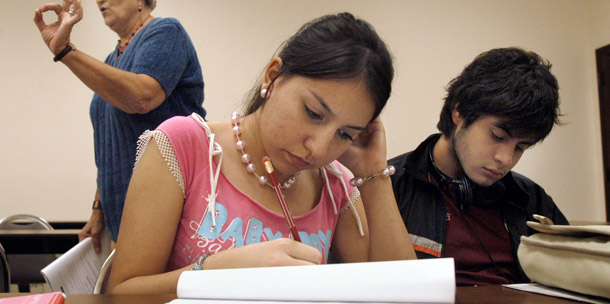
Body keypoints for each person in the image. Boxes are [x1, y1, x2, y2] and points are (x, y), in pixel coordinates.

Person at [105, 12, 417, 294]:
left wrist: (373, 174)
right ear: (272, 76)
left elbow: (406, 294)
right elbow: (124, 293)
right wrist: (215, 270)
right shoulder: (184, 146)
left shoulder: (333, 183)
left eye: (345, 134)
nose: (320, 149)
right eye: (312, 112)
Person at [33, 0, 206, 251]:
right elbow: (110, 145)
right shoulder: (111, 60)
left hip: (169, 214)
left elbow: (141, 97)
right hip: (121, 218)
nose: (99, 0)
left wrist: (65, 50)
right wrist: (98, 210)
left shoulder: (167, 31)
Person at [388, 47, 569, 286]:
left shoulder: (530, 199)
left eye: (521, 147)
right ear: (459, 112)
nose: (506, 159)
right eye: (497, 135)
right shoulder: (388, 187)